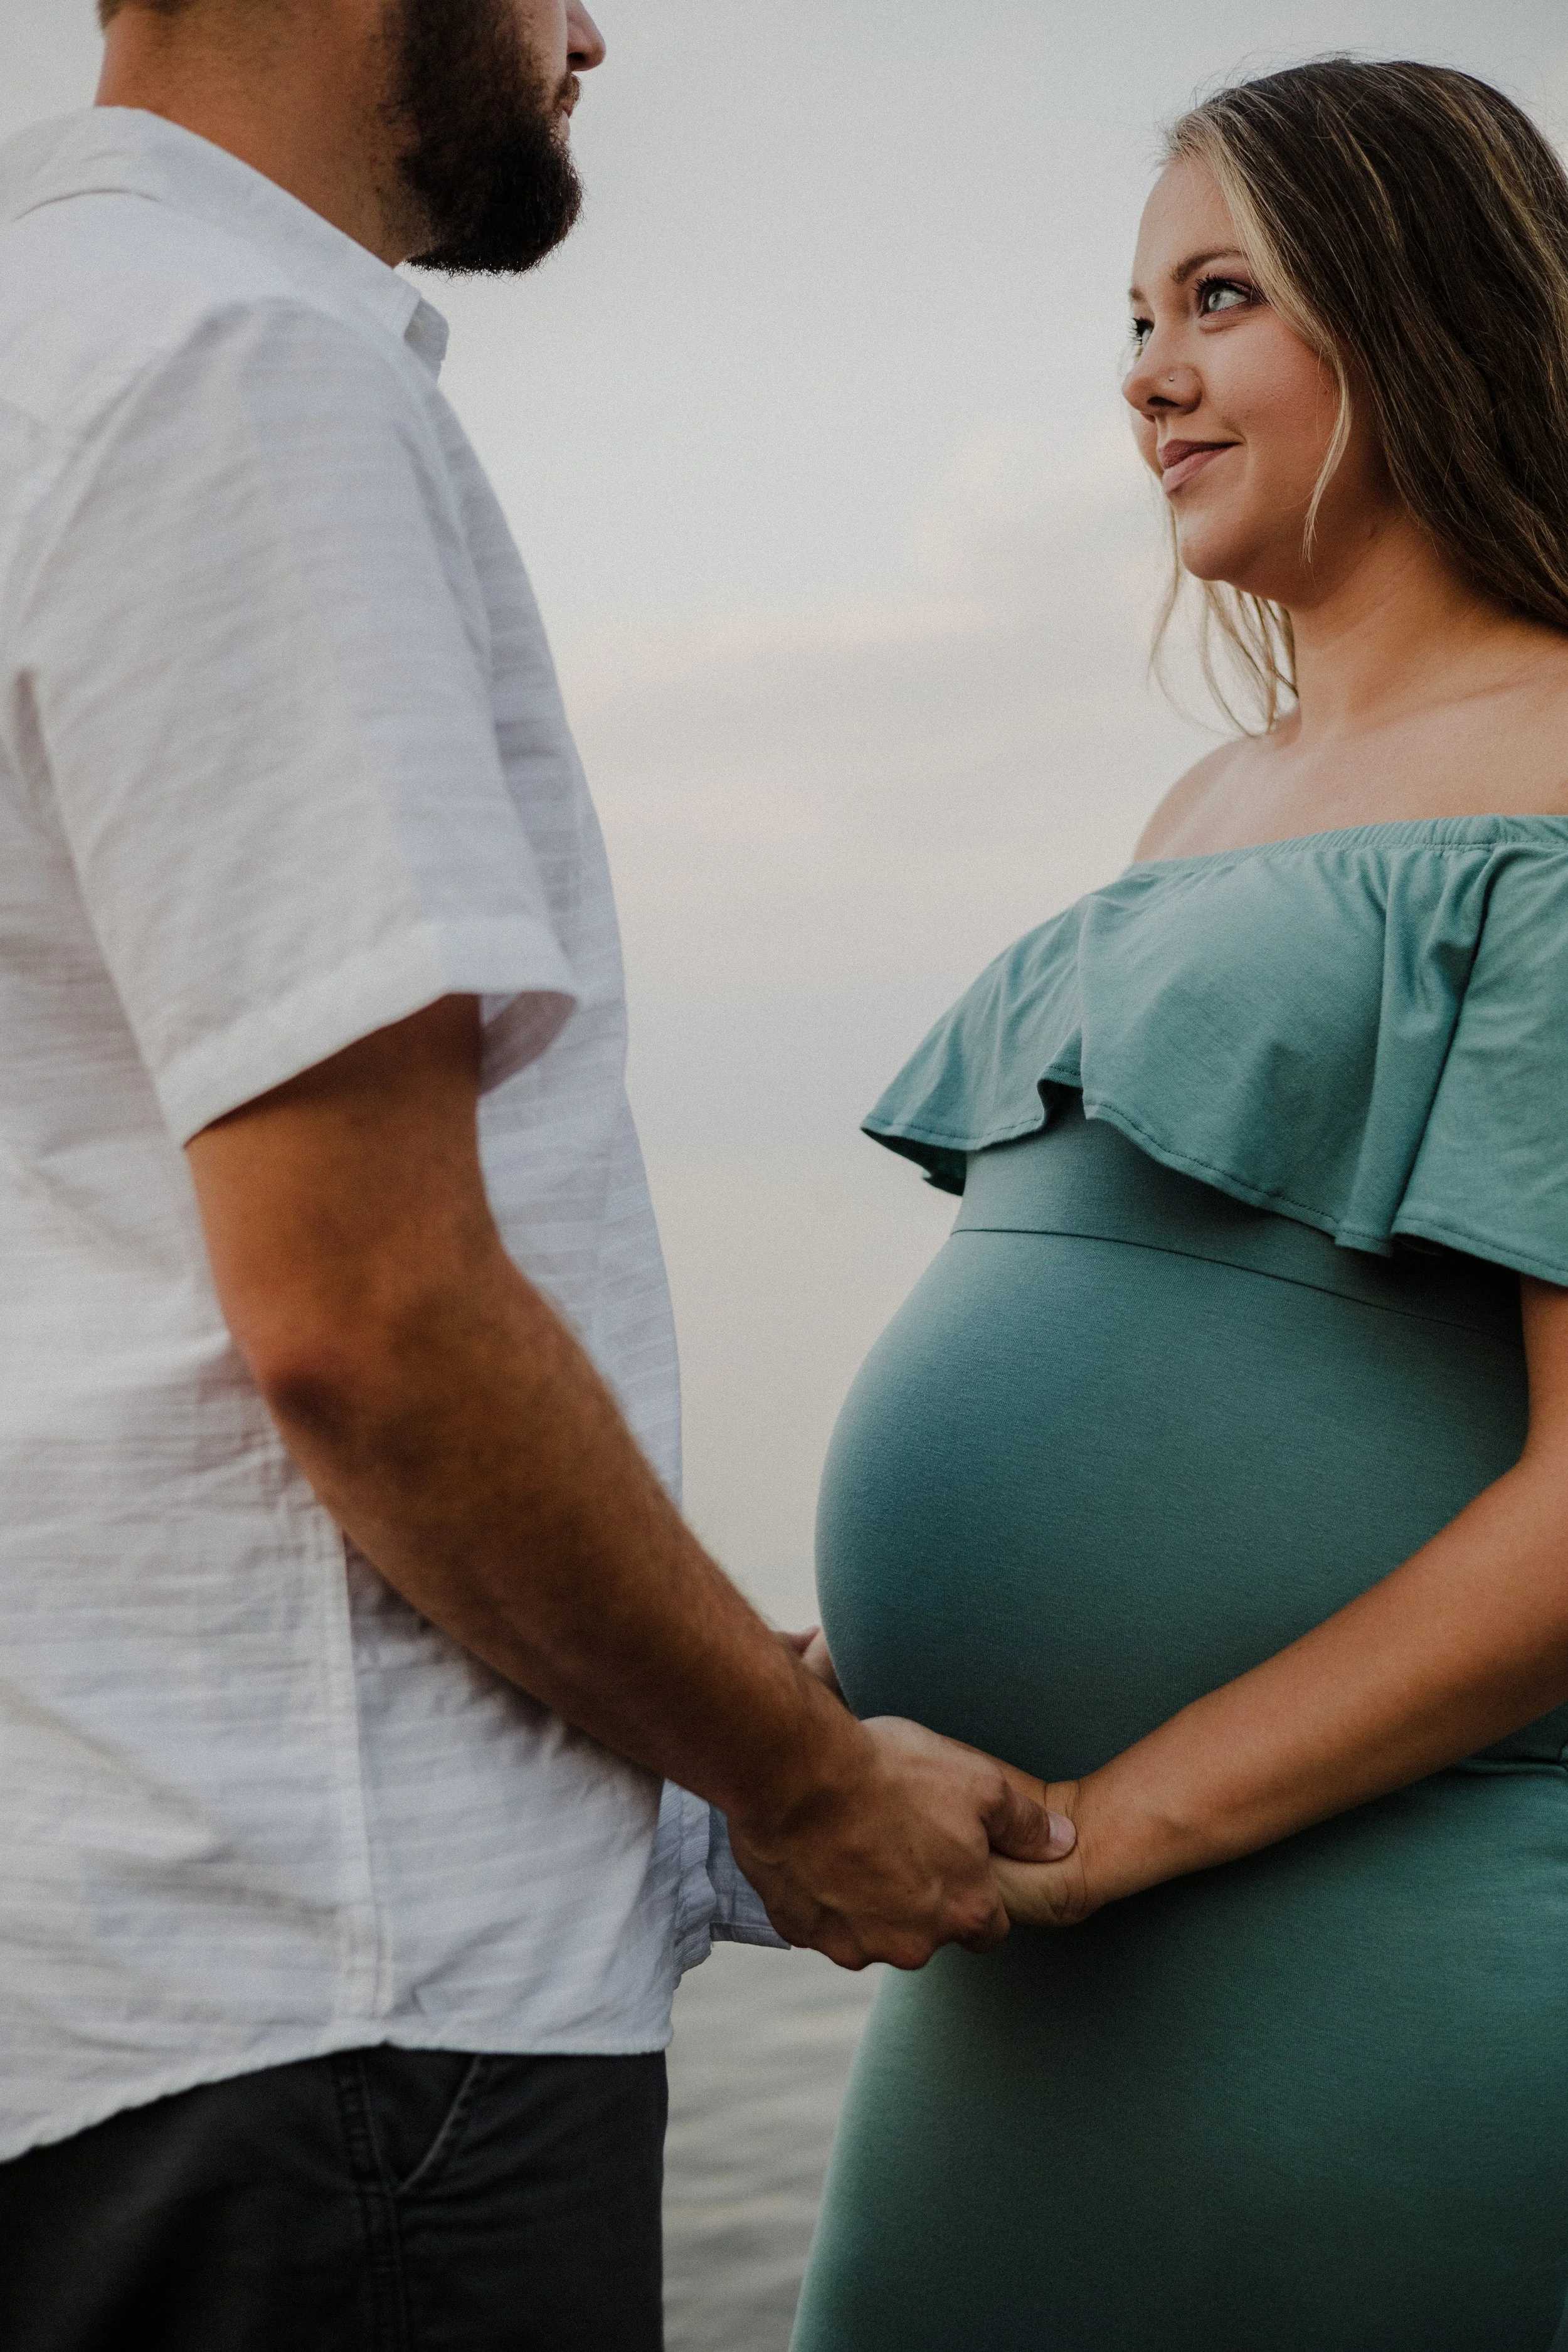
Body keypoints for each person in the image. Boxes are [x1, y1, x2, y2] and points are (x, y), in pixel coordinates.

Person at [0, 4, 1075, 2346]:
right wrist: (794, 1781)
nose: (592, 28)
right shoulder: (231, 365)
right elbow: (365, 1321)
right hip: (336, 2037)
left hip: (131, 1995)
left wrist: (687, 1732)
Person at [788, 56, 1568, 2352]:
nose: (1145, 377)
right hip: (1013, 1975)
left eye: (1217, 300)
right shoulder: (1196, 805)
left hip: (1362, 1948)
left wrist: (1102, 1827)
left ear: (1415, 308)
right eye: (1132, 318)